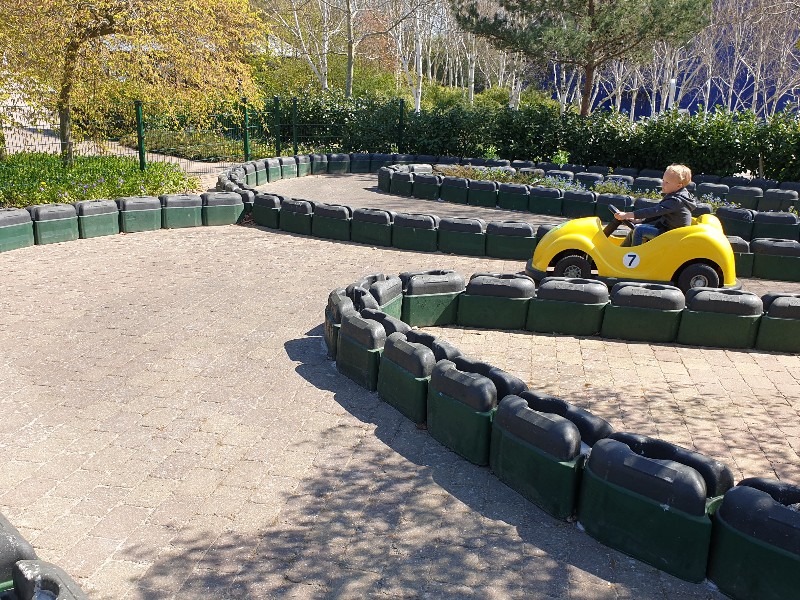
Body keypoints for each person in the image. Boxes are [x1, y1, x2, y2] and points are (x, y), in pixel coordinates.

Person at [614, 164, 697, 246]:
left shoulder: (676, 200)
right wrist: (640, 220)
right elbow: (659, 214)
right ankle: (622, 252)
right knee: (637, 227)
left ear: (679, 185)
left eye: (667, 182)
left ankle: (635, 256)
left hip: (673, 236)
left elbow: (654, 211)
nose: (663, 184)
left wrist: (627, 215)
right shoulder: (675, 195)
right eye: (663, 180)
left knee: (639, 230)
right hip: (668, 231)